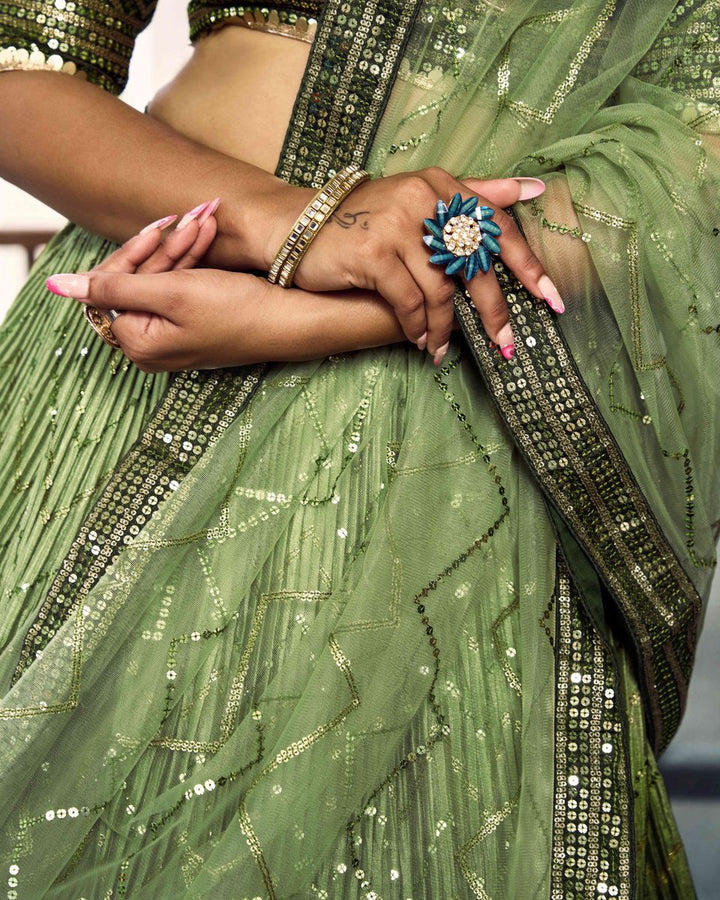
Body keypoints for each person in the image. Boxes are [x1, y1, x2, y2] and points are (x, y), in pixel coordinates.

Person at [0, 0, 717, 896]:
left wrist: (302, 314)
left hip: (452, 446)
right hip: (133, 374)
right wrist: (279, 226)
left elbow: (699, 145)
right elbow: (19, 65)